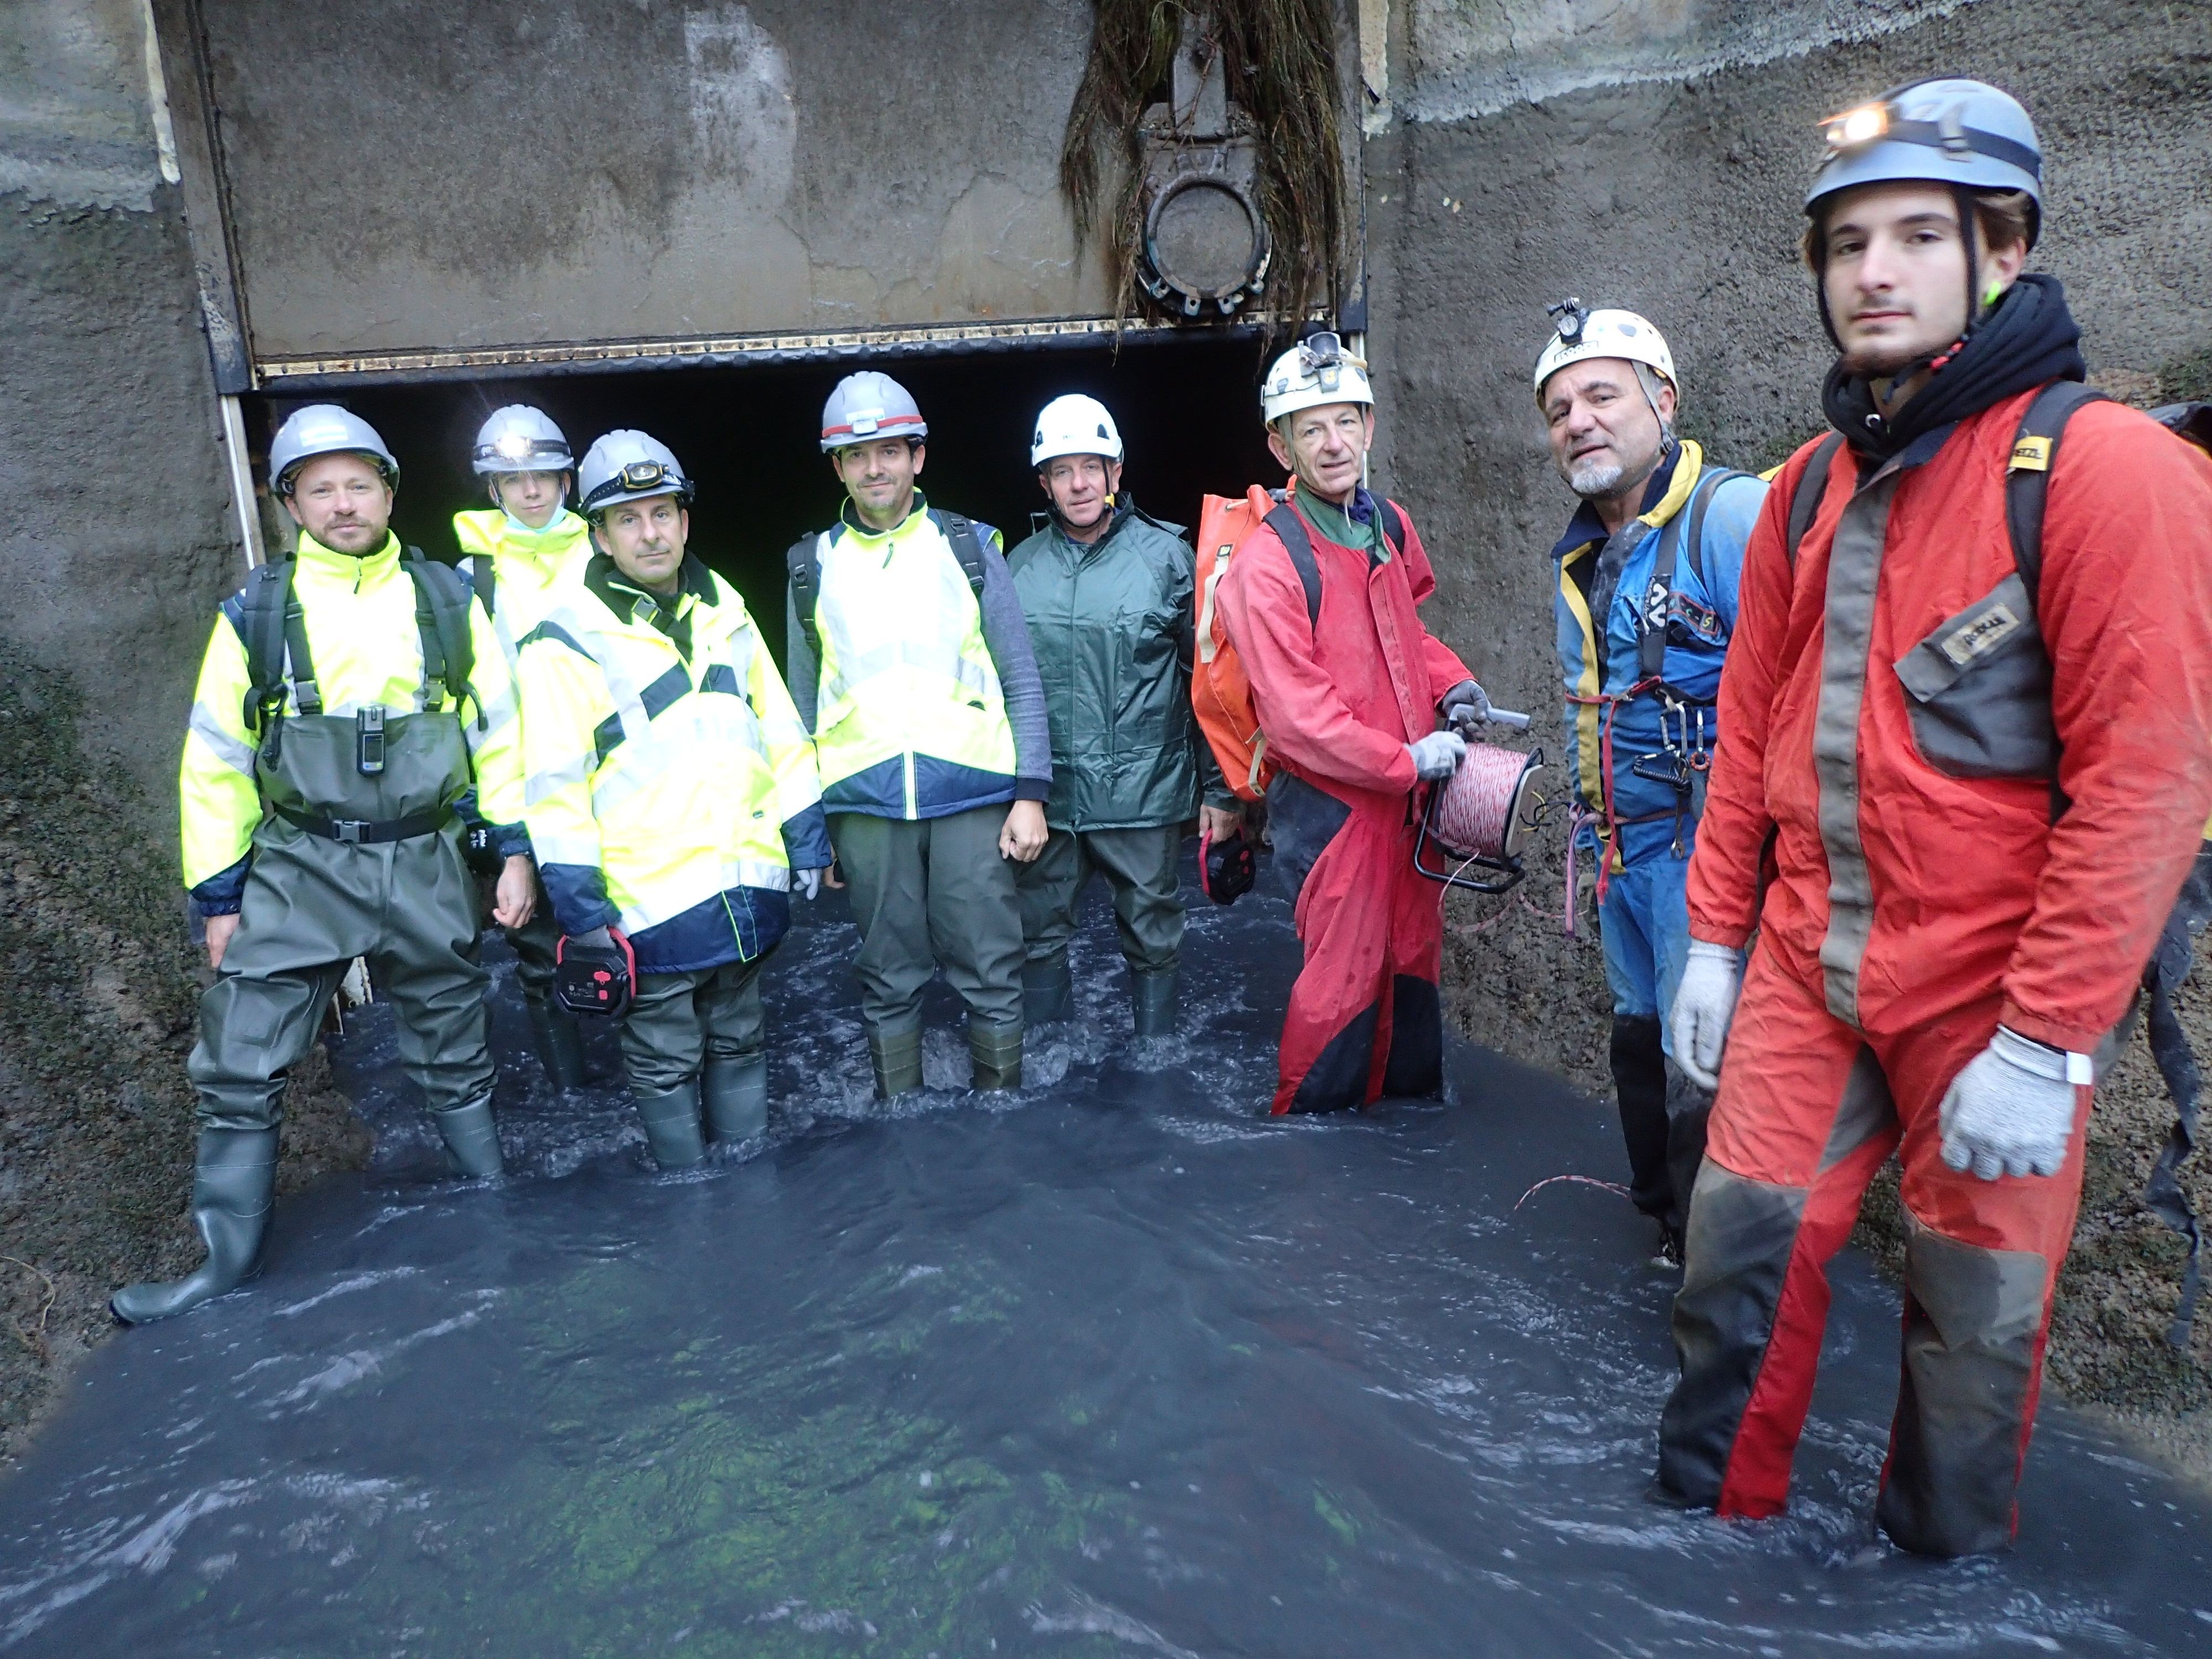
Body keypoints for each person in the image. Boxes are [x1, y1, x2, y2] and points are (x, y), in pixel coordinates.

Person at [1656, 80, 2212, 1556]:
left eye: (1917, 235)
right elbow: (1747, 740)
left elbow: (2149, 786)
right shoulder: (1798, 495)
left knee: (1975, 1337)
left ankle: (1933, 1589)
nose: (1874, 273)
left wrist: (2046, 1041)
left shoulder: (2112, 475)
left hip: (1995, 995)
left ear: (2006, 250)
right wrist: (1711, 943)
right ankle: (1707, 1546)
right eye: (1845, 244)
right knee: (1734, 1263)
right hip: (1801, 968)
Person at [115, 404, 530, 1323]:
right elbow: (215, 765)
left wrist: (510, 850)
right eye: (321, 489)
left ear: (388, 491)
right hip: (300, 865)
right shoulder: (257, 613)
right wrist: (219, 902)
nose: (344, 504)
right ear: (292, 505)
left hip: (423, 858)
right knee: (237, 1062)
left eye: (359, 485)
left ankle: (497, 1214)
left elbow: (501, 736)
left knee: (456, 1050)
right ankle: (223, 1265)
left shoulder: (447, 602)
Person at [518, 432, 829, 1168]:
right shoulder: (564, 635)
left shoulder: (725, 603)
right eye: (629, 519)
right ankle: (691, 1207)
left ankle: (747, 1199)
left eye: (662, 513)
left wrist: (806, 834)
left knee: (741, 1038)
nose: (650, 532)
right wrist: (584, 914)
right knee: (662, 1059)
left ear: (685, 520)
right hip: (648, 906)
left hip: (744, 888)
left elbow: (781, 726)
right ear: (598, 533)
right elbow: (554, 788)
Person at [1536, 306, 1768, 1266]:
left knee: (1705, 1065)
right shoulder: (1582, 559)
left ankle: (1721, 1262)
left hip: (1703, 855)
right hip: (1619, 855)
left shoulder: (1730, 517)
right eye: (1558, 410)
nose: (1579, 421)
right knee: (1643, 1044)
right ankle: (1669, 1228)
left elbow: (1808, 688)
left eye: (1602, 394)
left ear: (1662, 403)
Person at [1215, 331, 1493, 1114]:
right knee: (1340, 991)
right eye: (1311, 428)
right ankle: (1310, 1161)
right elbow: (1299, 722)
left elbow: (1410, 636)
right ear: (1282, 446)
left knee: (1410, 970)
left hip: (1410, 805)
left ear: (1370, 427)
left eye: (1346, 422)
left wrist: (1458, 685)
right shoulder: (1268, 565)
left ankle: (1404, 1135)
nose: (1334, 444)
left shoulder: (1389, 524)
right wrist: (1409, 759)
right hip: (1336, 814)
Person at [785, 371, 1051, 1098]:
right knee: (887, 975)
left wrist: (1031, 796)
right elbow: (800, 712)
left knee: (992, 965)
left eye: (891, 451)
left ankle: (1002, 1113)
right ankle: (898, 1121)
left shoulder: (970, 548)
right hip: (866, 809)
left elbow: (1021, 679)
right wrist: (813, 833)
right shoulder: (811, 569)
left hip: (974, 797)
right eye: (857, 454)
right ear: (837, 467)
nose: (876, 467)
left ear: (918, 458)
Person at [1005, 394, 1241, 1036]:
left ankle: (1156, 1061)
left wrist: (1222, 791)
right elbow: (996, 692)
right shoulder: (1015, 571)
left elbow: (1211, 684)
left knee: (1154, 932)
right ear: (1044, 484)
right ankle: (1051, 1065)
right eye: (1062, 470)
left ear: (1116, 473)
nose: (1078, 483)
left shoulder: (1170, 560)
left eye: (1092, 466)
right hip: (1049, 800)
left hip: (1143, 793)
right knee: (1036, 935)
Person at [452, 404, 593, 1092]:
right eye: (514, 480)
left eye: (543, 475)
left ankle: (655, 1094)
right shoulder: (470, 580)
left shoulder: (612, 545)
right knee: (541, 959)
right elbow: (479, 716)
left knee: (647, 947)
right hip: (527, 788)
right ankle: (575, 1104)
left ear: (567, 481)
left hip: (620, 787)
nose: (531, 490)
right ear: (493, 491)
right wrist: (505, 837)